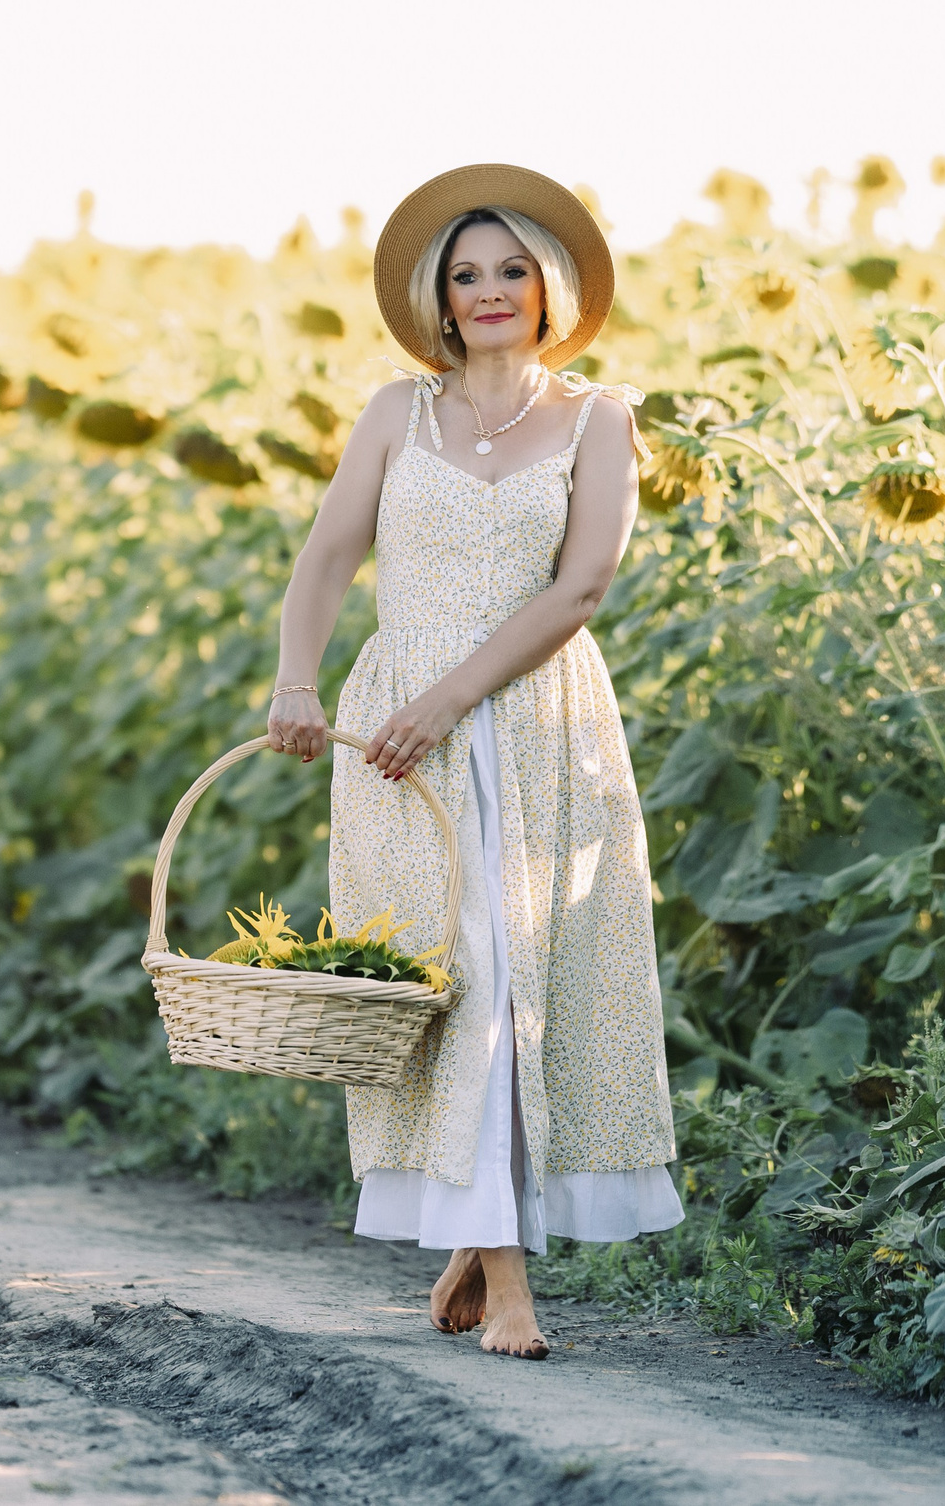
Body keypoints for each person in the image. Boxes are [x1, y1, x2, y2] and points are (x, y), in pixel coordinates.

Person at [264, 164, 682, 1360]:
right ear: (439, 303)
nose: (491, 291)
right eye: (466, 275)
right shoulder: (396, 414)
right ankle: (487, 1256)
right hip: (398, 734)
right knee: (452, 988)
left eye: (513, 271)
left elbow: (584, 583)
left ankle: (495, 1272)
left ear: (551, 291)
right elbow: (327, 556)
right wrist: (299, 680)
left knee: (520, 984)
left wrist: (453, 698)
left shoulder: (598, 418)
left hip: (534, 720)